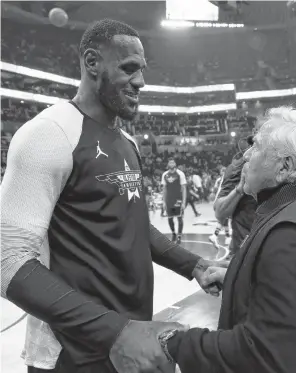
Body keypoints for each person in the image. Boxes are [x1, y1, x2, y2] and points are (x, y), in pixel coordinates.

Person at [1, 19, 227, 373]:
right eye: (129, 68)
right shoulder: (49, 134)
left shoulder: (127, 141)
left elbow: (134, 223)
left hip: (132, 339)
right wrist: (114, 331)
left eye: (142, 70)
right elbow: (7, 259)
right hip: (73, 354)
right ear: (92, 63)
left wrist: (195, 265)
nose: (141, 81)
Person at [162, 107, 296, 373]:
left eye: (258, 147)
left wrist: (176, 344)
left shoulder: (291, 237)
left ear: (286, 167)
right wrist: (240, 278)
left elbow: (266, 355)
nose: (247, 155)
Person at [214, 136, 257, 259]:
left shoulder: (286, 170)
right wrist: (240, 188)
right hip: (242, 249)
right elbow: (219, 212)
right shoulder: (236, 169)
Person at [162, 158, 187, 244]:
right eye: (170, 162)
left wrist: (184, 202)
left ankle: (179, 236)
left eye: (173, 162)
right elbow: (164, 189)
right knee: (170, 218)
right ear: (168, 164)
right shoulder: (165, 175)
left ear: (175, 164)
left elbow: (184, 189)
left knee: (179, 218)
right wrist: (164, 201)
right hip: (169, 200)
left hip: (178, 199)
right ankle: (173, 233)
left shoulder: (180, 174)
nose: (171, 164)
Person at [209, 167, 231, 249]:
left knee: (225, 220)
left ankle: (227, 237)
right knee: (223, 219)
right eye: (222, 170)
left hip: (220, 202)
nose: (224, 172)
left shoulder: (220, 180)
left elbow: (214, 191)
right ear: (221, 172)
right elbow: (214, 191)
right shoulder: (226, 180)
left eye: (225, 170)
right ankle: (214, 235)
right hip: (223, 201)